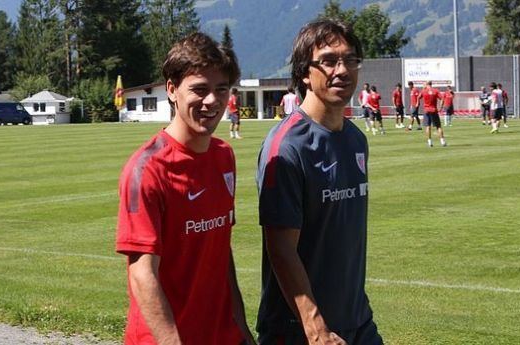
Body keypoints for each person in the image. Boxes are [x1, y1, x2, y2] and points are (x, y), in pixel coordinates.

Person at [115, 32, 255, 345]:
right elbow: (142, 274)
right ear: (172, 90)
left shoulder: (223, 157)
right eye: (200, 89)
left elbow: (221, 250)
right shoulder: (147, 170)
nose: (212, 101)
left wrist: (241, 326)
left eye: (221, 89)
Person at [256, 19, 384, 345]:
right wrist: (316, 329)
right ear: (304, 72)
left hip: (358, 322)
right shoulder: (286, 147)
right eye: (328, 60)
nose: (342, 70)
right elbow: (281, 249)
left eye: (350, 59)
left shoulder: (356, 140)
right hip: (301, 331)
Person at [418, 81, 447, 147]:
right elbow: (442, 98)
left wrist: (417, 103)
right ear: (431, 84)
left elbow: (418, 97)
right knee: (438, 126)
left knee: (428, 126)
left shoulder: (423, 91)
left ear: (426, 84)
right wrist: (441, 107)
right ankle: (442, 142)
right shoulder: (435, 91)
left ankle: (430, 142)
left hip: (426, 111)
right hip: (434, 110)